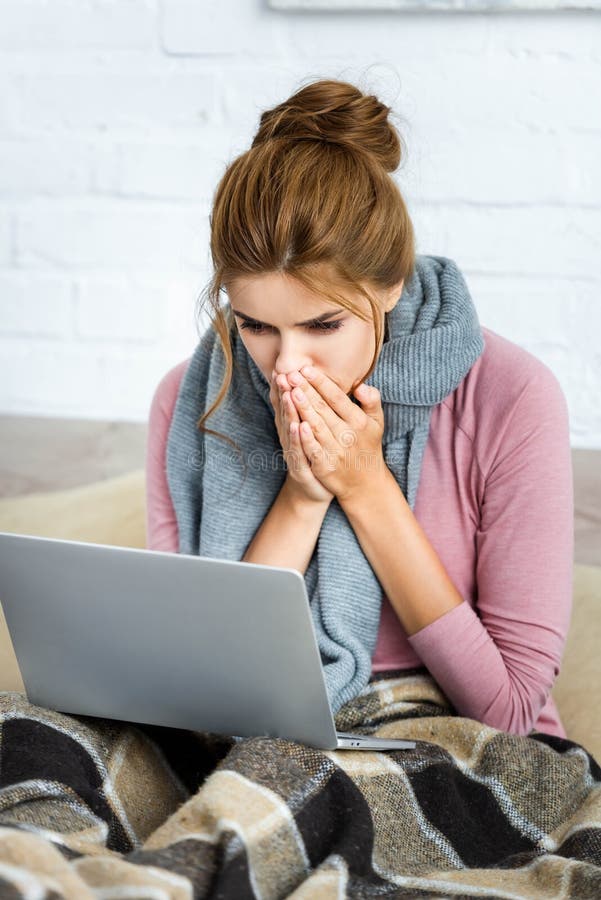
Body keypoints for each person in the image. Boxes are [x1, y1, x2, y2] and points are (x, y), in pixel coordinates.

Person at [146, 77, 574, 739]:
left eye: (321, 326)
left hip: (452, 738)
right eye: (256, 326)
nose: (286, 366)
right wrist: (304, 493)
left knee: (286, 789)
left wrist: (364, 484)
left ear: (391, 286)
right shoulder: (190, 398)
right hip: (252, 724)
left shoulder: (511, 396)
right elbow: (201, 684)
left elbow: (509, 711)